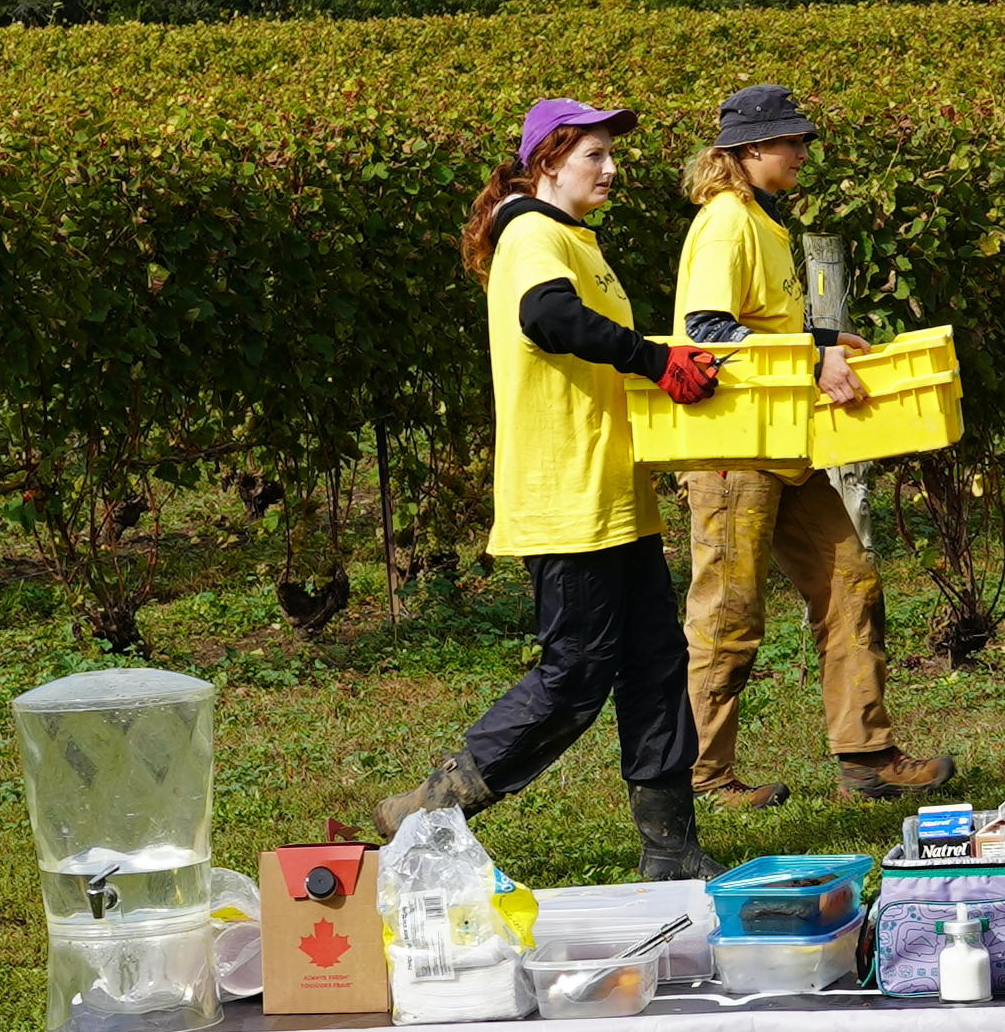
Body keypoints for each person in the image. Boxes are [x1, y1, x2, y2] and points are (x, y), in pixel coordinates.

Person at [378, 98, 723, 885]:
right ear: (548, 163)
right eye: (594, 155)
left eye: (611, 155)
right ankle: (429, 809)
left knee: (655, 664)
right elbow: (547, 316)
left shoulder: (572, 237)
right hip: (564, 496)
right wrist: (649, 360)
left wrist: (670, 364)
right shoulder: (530, 231)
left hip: (613, 490)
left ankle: (669, 848)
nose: (611, 168)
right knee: (574, 677)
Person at [669, 81, 952, 812]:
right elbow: (705, 329)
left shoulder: (762, 218)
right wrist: (808, 358)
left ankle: (866, 754)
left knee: (850, 580)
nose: (801, 151)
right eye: (789, 140)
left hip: (781, 440)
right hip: (732, 446)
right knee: (728, 611)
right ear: (747, 149)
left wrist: (823, 341)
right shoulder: (725, 221)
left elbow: (756, 323)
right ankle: (698, 776)